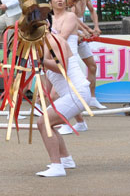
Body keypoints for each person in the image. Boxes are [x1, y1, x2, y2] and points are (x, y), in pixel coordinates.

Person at [35, 30, 92, 177]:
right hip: (73, 94)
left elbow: (61, 67)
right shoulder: (41, 45)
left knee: (44, 123)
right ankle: (65, 159)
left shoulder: (53, 40)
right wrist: (44, 94)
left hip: (76, 92)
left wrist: (40, 61)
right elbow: (49, 73)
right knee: (49, 123)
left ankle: (57, 166)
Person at [47, 0, 88, 135]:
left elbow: (61, 38)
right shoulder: (48, 19)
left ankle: (64, 122)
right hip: (53, 58)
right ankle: (80, 122)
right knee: (58, 94)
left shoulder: (70, 16)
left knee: (56, 95)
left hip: (69, 59)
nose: (59, 0)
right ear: (50, 2)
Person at [70, 0, 106, 109]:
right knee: (69, 71)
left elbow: (92, 11)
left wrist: (96, 27)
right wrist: (85, 31)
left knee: (92, 66)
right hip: (71, 33)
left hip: (80, 32)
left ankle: (91, 98)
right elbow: (71, 18)